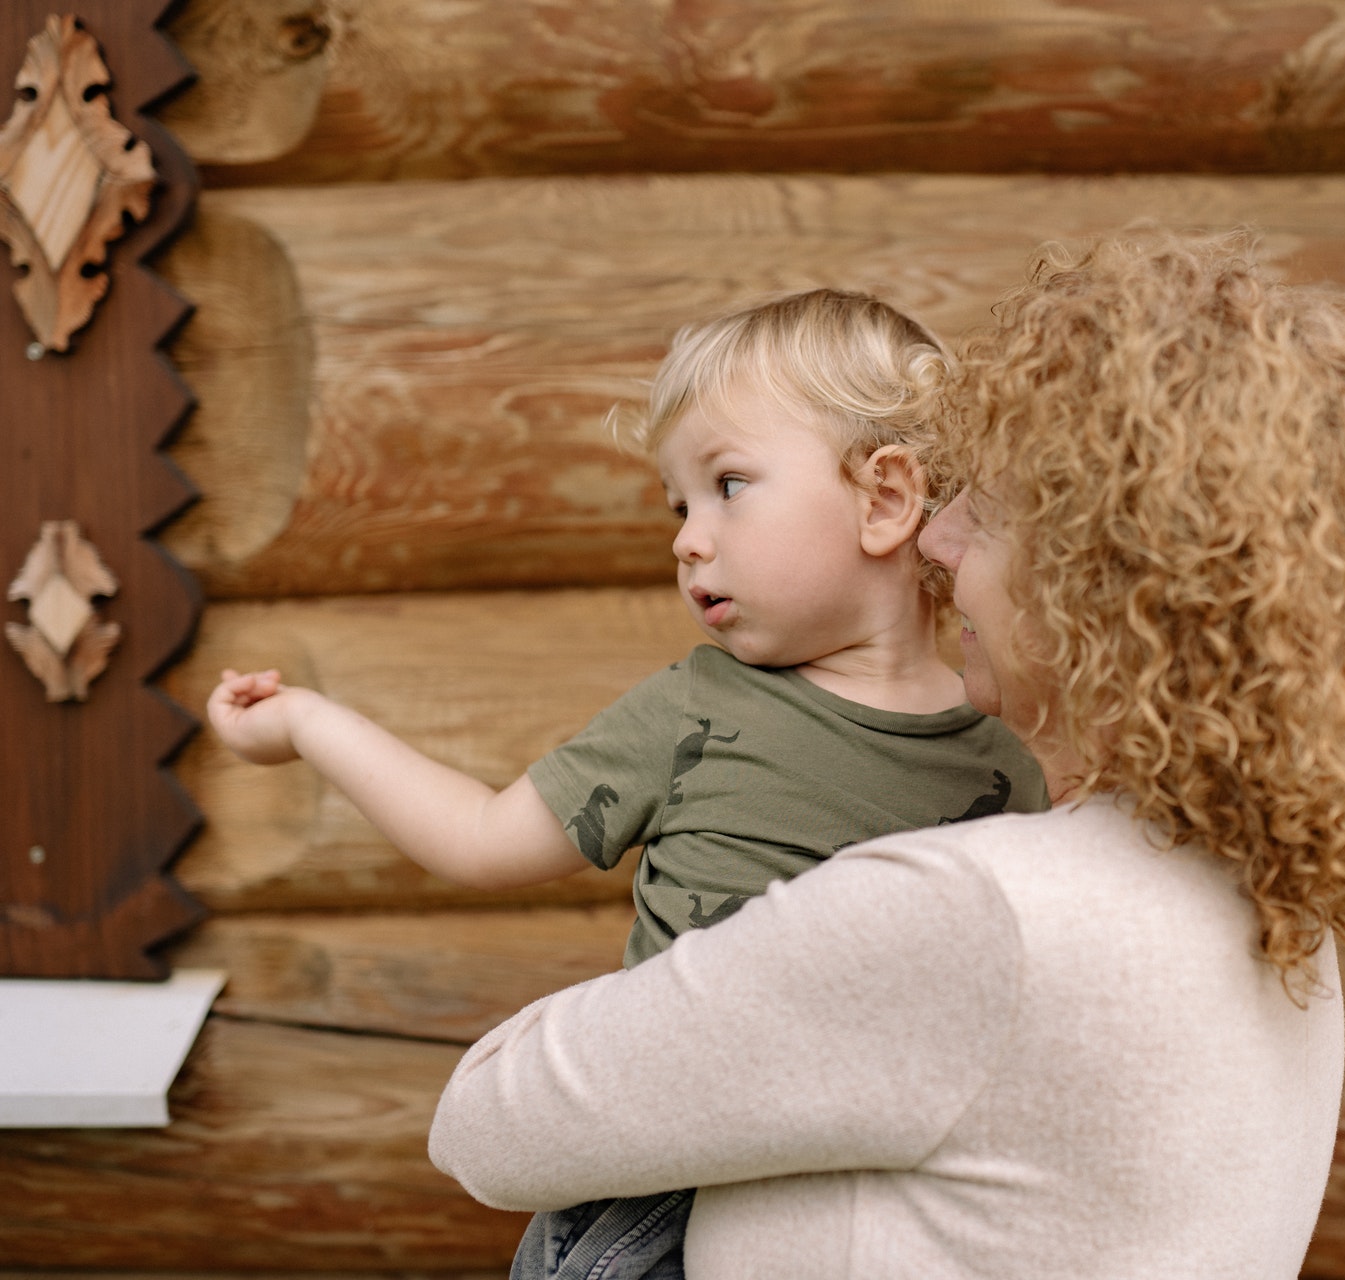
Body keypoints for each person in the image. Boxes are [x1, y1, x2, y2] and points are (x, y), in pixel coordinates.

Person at [427, 231, 1345, 1279]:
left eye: (993, 512)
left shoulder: (980, 914)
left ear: (1108, 580)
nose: (941, 540)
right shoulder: (1273, 904)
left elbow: (489, 1121)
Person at [205, 289, 1048, 1280]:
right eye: (678, 504)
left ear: (885, 499)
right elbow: (480, 836)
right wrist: (311, 722)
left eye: (729, 483)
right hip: (657, 1197)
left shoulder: (1009, 753)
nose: (688, 537)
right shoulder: (693, 711)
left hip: (877, 1194)